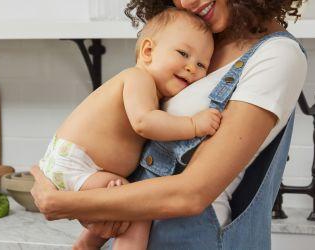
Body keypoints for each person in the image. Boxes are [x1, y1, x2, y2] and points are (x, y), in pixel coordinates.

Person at [30, 0, 307, 249]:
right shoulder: (193, 39)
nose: (188, 2)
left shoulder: (277, 56)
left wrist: (65, 203)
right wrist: (98, 208)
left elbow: (193, 194)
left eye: (199, 64)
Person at [37, 8, 218, 250]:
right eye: (183, 53)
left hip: (78, 164)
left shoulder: (150, 88)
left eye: (201, 64)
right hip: (77, 164)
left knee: (119, 210)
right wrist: (194, 125)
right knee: (138, 211)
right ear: (148, 51)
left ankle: (84, 246)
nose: (191, 68)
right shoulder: (137, 78)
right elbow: (144, 122)